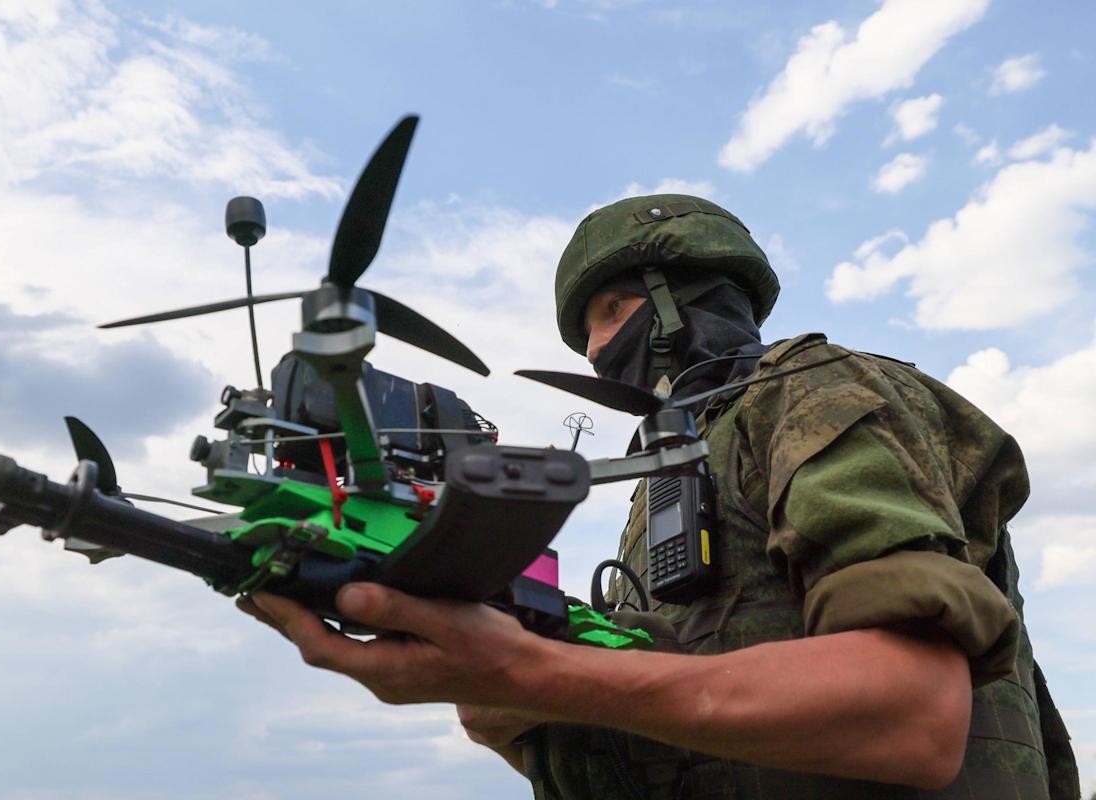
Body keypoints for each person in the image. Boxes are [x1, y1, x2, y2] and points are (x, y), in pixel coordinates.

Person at [238, 194, 1079, 799]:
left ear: (687, 297)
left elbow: (914, 716)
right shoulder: (671, 473)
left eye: (612, 311)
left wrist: (538, 671)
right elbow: (671, 721)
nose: (597, 350)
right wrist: (512, 693)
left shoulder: (817, 393)